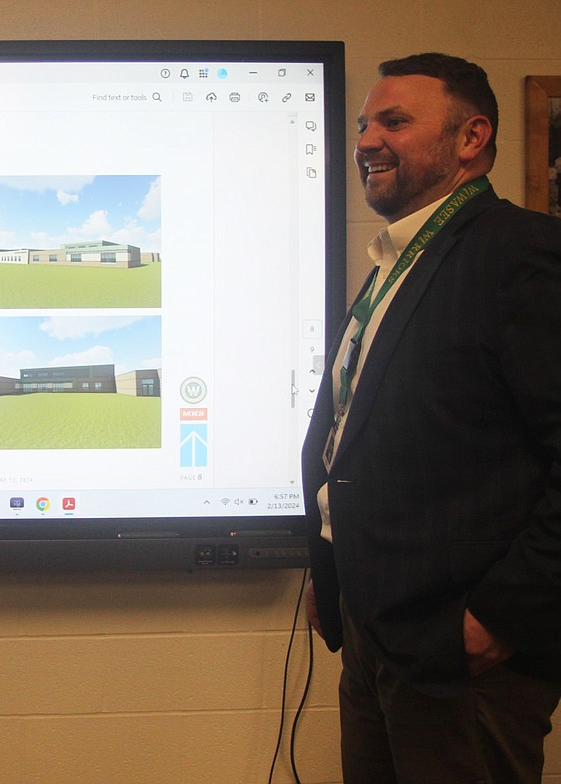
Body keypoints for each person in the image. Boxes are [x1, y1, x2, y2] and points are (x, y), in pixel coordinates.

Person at [302, 52, 561, 783]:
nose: (366, 140)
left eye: (395, 121)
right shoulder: (399, 260)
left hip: (460, 653)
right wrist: (336, 566)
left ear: (471, 138)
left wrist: (501, 618)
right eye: (362, 125)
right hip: (374, 630)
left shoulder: (521, 256)